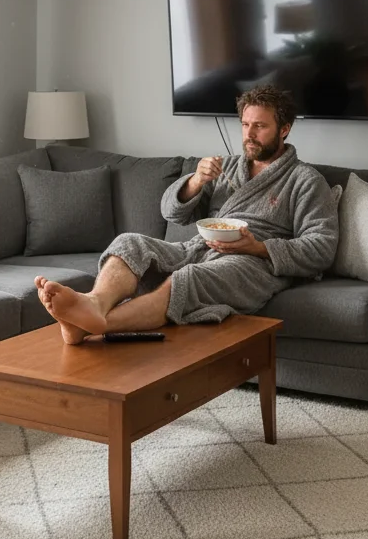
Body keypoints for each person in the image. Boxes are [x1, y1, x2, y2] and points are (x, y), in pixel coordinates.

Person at [34, 84, 339, 344]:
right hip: (198, 248)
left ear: (284, 129)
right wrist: (196, 181)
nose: (249, 134)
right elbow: (171, 212)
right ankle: (93, 305)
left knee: (190, 277)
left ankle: (97, 325)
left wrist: (258, 247)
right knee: (130, 243)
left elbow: (322, 247)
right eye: (245, 125)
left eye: (260, 126)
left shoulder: (305, 180)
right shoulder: (228, 167)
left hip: (254, 264)